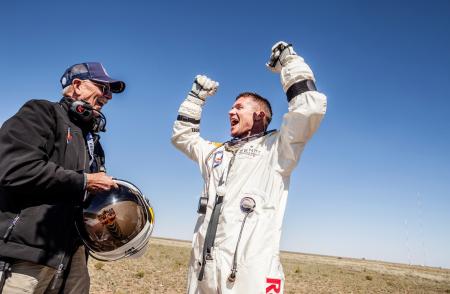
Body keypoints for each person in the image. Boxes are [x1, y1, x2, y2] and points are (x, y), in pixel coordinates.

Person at [171, 41, 327, 293]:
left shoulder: (277, 150)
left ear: (259, 116)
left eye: (239, 107)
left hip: (250, 275)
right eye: (231, 107)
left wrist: (290, 62)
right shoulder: (216, 153)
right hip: (203, 270)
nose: (230, 111)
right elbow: (183, 138)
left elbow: (309, 109)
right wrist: (195, 98)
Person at [0, 62, 124, 293]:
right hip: (28, 255)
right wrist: (85, 180)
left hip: (72, 257)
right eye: (102, 87)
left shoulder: (93, 144)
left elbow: (81, 197)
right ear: (77, 85)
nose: (108, 96)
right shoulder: (41, 113)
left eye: (110, 92)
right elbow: (13, 169)